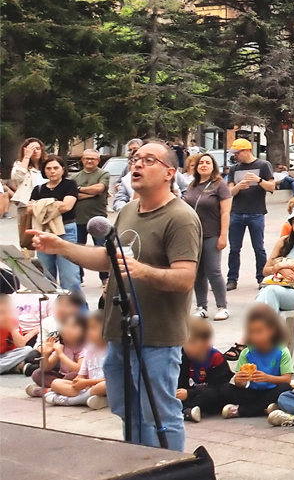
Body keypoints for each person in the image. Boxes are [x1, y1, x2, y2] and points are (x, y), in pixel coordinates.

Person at [29, 140, 200, 449]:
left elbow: (185, 279)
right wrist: (61, 246)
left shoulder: (181, 217)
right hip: (120, 332)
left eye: (148, 160)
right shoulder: (128, 211)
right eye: (135, 159)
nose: (136, 164)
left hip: (157, 336)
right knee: (127, 411)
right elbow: (108, 259)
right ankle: (138, 472)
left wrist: (142, 270)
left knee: (159, 415)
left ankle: (169, 478)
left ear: (169, 173)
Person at [193, 305, 294, 420]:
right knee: (225, 388)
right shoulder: (246, 353)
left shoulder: (281, 351)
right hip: (251, 393)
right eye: (251, 332)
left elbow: (287, 379)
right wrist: (239, 380)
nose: (255, 336)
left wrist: (267, 378)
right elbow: (240, 384)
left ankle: (240, 410)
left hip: (271, 390)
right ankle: (265, 408)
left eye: (259, 332)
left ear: (272, 331)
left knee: (285, 388)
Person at [181, 154, 232, 320]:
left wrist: (223, 235)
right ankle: (201, 306)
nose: (203, 165)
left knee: (213, 271)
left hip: (212, 233)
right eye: (200, 163)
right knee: (197, 272)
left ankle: (222, 306)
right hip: (192, 236)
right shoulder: (192, 185)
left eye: (207, 162)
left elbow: (225, 212)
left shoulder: (220, 185)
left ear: (213, 166)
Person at [224, 138, 276, 291]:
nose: (236, 156)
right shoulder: (234, 168)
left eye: (238, 153)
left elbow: (271, 186)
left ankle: (262, 278)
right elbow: (229, 192)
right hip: (237, 212)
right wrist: (239, 187)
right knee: (234, 248)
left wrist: (258, 180)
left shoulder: (263, 165)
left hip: (256, 212)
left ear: (247, 150)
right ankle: (232, 279)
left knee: (258, 247)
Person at [28, 155, 82, 293]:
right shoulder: (38, 189)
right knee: (46, 274)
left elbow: (66, 206)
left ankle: (77, 311)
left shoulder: (69, 185)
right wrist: (54, 203)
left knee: (69, 274)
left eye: (56, 168)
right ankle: (51, 309)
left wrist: (41, 205)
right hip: (43, 231)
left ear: (63, 169)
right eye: (48, 168)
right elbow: (28, 209)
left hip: (66, 230)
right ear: (44, 171)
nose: (52, 171)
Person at [176, 316, 230, 423]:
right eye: (184, 343)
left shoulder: (216, 358)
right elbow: (181, 381)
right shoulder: (183, 357)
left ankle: (185, 410)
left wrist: (189, 393)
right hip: (189, 394)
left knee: (215, 395)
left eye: (192, 342)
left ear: (206, 342)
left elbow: (218, 386)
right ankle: (186, 410)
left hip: (208, 394)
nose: (187, 347)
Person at [72, 148, 110, 255]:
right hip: (79, 219)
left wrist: (78, 188)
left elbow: (99, 189)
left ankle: (103, 272)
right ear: (82, 160)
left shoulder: (103, 174)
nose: (89, 161)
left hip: (98, 218)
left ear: (98, 161)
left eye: (93, 159)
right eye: (87, 158)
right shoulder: (74, 177)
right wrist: (91, 194)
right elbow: (73, 196)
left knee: (101, 251)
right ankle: (79, 272)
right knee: (78, 252)